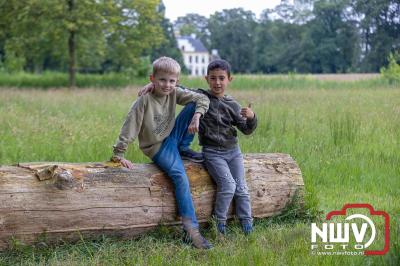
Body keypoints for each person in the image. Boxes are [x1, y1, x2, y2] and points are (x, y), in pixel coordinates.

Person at [139, 59, 257, 235]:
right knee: (229, 185)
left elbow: (246, 130)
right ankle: (219, 225)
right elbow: (176, 86)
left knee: (242, 187)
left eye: (222, 78)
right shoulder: (201, 96)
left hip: (233, 152)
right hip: (213, 153)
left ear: (229, 79)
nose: (217, 82)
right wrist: (152, 84)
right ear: (206, 78)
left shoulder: (233, 105)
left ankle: (247, 224)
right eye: (213, 78)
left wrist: (252, 117)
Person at [111, 56, 212, 249]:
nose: (167, 85)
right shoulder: (144, 101)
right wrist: (119, 154)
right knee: (180, 176)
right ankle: (191, 232)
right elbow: (129, 126)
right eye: (162, 80)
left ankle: (183, 147)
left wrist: (197, 116)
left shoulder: (173, 92)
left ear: (177, 81)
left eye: (172, 81)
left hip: (173, 138)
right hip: (158, 147)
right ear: (152, 79)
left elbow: (202, 98)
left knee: (193, 105)